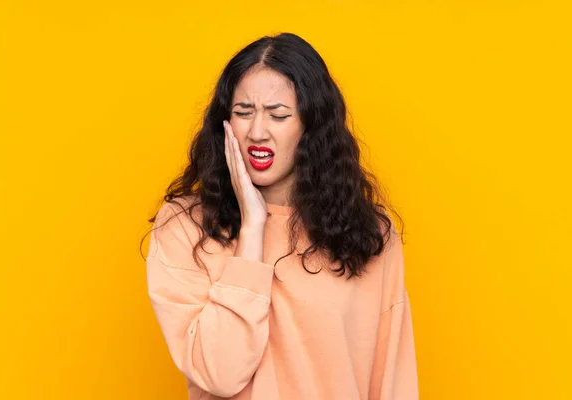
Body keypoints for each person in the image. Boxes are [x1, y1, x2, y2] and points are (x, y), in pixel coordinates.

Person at [144, 32, 419, 400]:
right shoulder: (185, 228)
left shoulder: (366, 232)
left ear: (311, 125)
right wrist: (253, 226)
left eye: (278, 115)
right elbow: (220, 375)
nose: (257, 132)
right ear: (224, 123)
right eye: (243, 113)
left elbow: (391, 380)